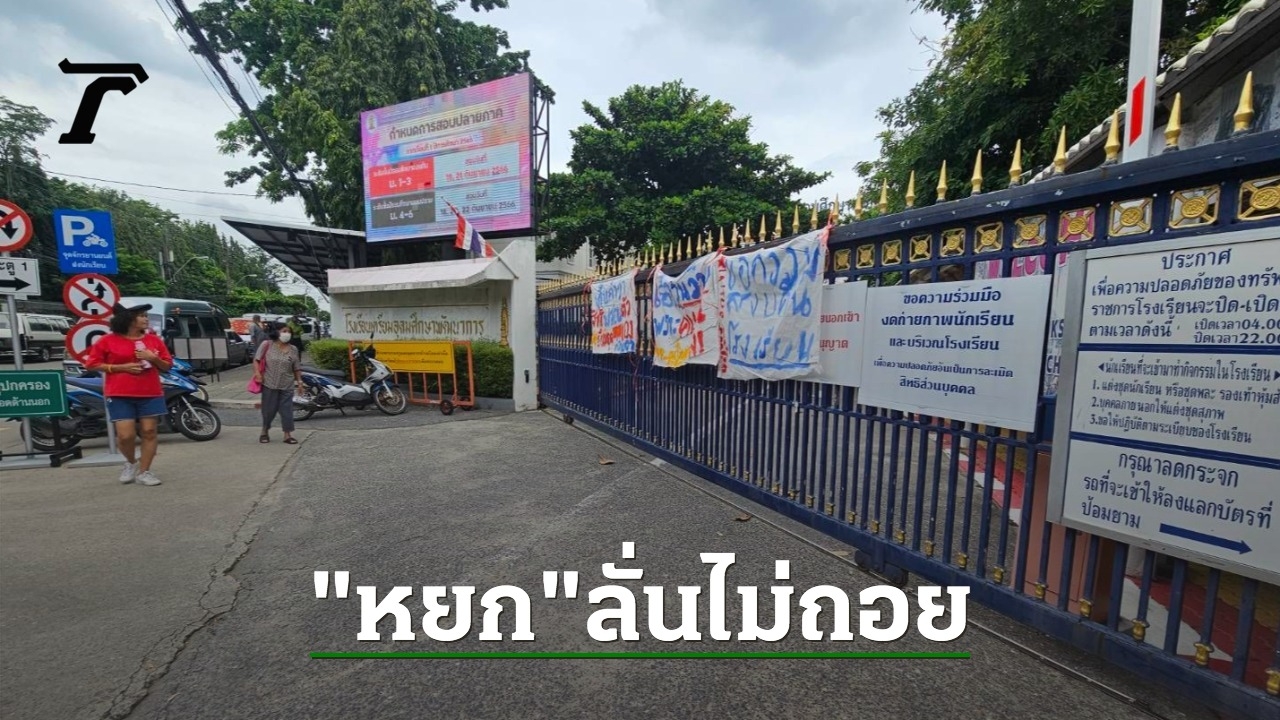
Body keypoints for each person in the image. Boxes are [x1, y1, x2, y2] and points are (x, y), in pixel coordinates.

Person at [84, 302, 174, 486]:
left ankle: (145, 471)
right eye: (142, 316)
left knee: (149, 431)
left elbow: (167, 366)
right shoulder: (108, 340)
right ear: (128, 319)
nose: (146, 319)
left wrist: (153, 358)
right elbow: (91, 364)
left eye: (146, 316)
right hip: (120, 393)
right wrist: (120, 367)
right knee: (126, 436)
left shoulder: (154, 340)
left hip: (150, 392)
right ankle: (131, 462)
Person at [253, 322, 304, 444]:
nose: (287, 334)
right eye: (284, 331)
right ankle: (264, 431)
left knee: (287, 411)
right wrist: (258, 374)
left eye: (289, 332)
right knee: (268, 410)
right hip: (269, 383)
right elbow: (256, 360)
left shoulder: (293, 349)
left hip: (287, 384)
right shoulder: (267, 345)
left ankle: (287, 435)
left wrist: (300, 382)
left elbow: (296, 367)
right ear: (276, 332)